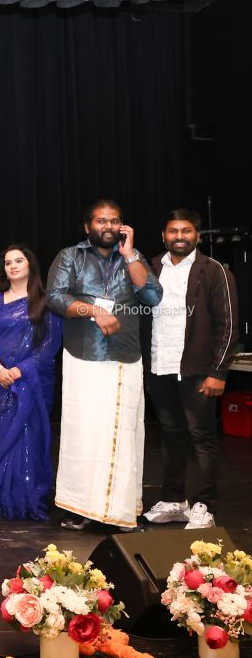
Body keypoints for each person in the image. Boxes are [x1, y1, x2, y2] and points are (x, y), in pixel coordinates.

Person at [47, 199, 162, 531]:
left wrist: (131, 255)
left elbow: (153, 296)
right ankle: (80, 508)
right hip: (84, 356)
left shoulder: (133, 258)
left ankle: (119, 508)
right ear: (88, 226)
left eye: (114, 221)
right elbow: (54, 297)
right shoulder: (71, 256)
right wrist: (94, 310)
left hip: (126, 357)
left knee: (124, 434)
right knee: (83, 434)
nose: (108, 226)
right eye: (101, 221)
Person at [142, 208, 238, 530]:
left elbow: (228, 325)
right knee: (170, 435)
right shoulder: (151, 268)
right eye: (173, 231)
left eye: (186, 231)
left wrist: (218, 372)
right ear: (164, 236)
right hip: (160, 366)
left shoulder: (214, 270)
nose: (179, 236)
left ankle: (205, 505)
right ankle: (174, 500)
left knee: (202, 436)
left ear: (196, 235)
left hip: (198, 369)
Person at [0, 246, 62, 521]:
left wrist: (20, 370)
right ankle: (3, 498)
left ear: (30, 265)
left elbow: (50, 344)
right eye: (7, 263)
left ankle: (30, 498)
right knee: (2, 434)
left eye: (18, 261)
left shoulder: (45, 300)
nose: (13, 266)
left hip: (32, 381)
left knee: (32, 436)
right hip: (0, 380)